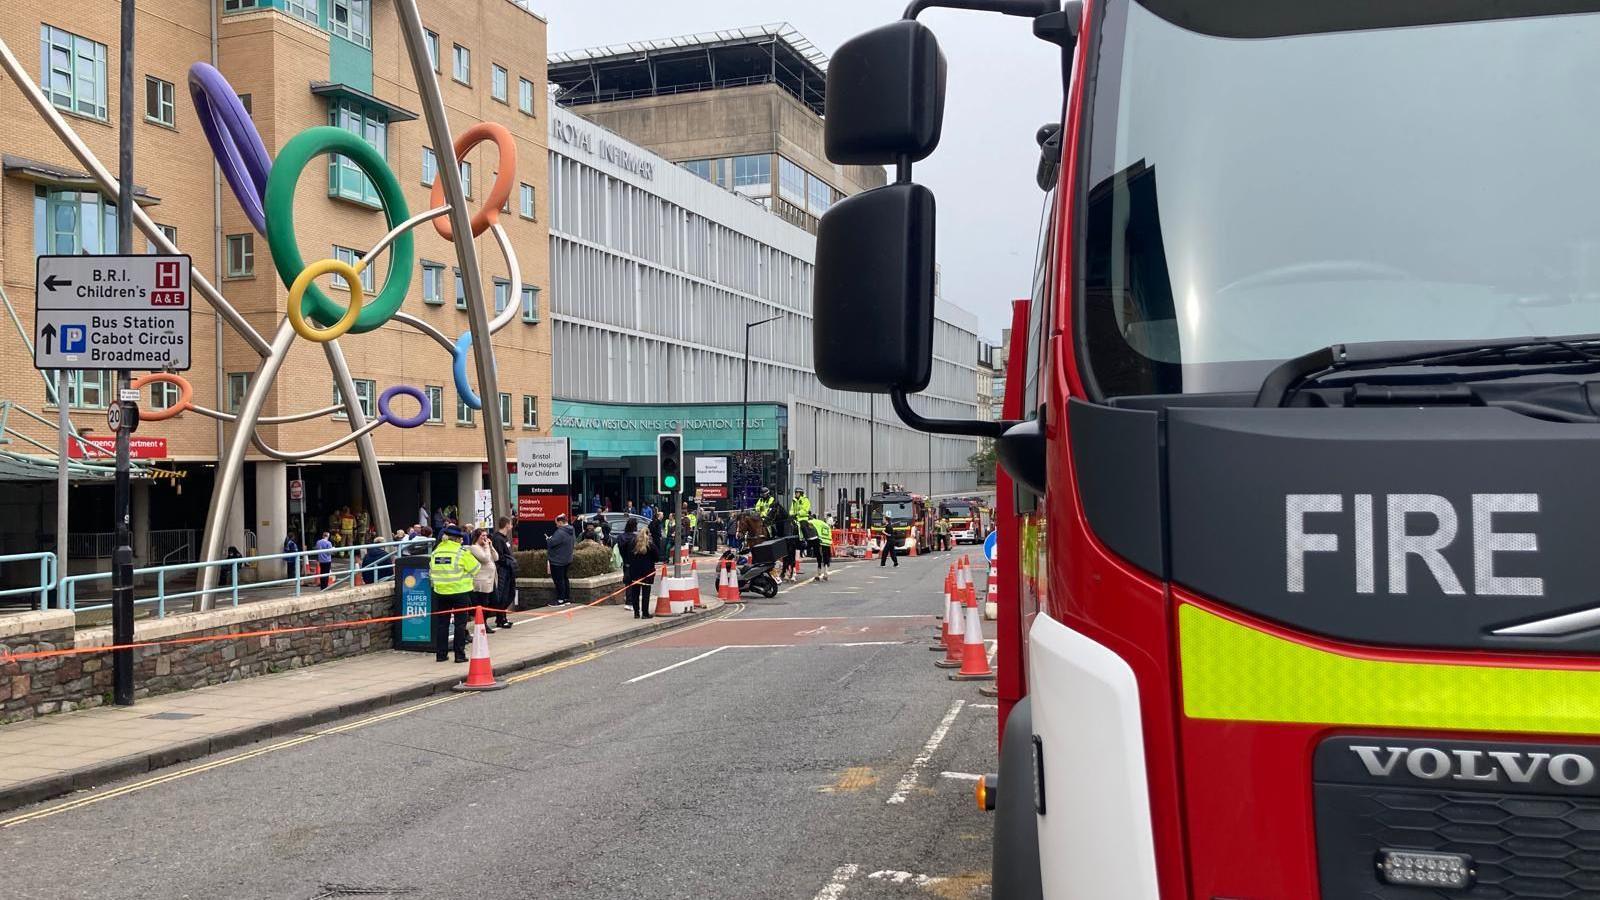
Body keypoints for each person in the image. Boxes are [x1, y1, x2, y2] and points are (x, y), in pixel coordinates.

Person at [429, 525, 479, 663]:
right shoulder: (461, 552)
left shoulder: (436, 552)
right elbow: (476, 568)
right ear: (457, 539)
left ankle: (441, 655)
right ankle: (459, 655)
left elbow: (431, 571)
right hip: (459, 592)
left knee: (442, 624)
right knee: (460, 625)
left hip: (441, 592)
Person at [618, 518, 656, 618]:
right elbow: (656, 557)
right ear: (648, 535)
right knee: (645, 593)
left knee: (635, 592)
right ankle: (645, 613)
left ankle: (636, 613)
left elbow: (628, 556)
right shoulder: (650, 545)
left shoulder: (632, 543)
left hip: (634, 572)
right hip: (647, 572)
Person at [468, 527, 499, 632]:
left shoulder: (487, 547)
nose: (485, 538)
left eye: (486, 536)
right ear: (477, 537)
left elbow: (496, 557)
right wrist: (486, 547)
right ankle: (483, 624)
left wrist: (491, 546)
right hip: (481, 581)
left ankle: (484, 622)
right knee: (483, 603)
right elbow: (485, 559)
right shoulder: (474, 547)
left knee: (493, 602)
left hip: (491, 580)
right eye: (483, 536)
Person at [491, 517, 517, 629]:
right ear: (507, 525)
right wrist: (509, 562)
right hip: (502, 570)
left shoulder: (504, 538)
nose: (512, 526)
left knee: (509, 593)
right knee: (503, 594)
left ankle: (502, 617)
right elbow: (500, 557)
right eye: (510, 524)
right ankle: (501, 618)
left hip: (508, 569)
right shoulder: (497, 539)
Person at [546, 513, 576, 608]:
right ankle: (566, 598)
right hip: (567, 558)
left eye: (557, 523)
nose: (556, 525)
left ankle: (560, 599)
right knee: (564, 578)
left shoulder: (560, 532)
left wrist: (548, 539)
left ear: (560, 522)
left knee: (559, 580)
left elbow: (552, 543)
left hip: (557, 560)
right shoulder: (571, 529)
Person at [809, 515, 833, 581]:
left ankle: (820, 572)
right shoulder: (822, 523)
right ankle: (825, 572)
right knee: (825, 554)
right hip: (826, 538)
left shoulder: (811, 522)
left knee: (819, 554)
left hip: (819, 537)